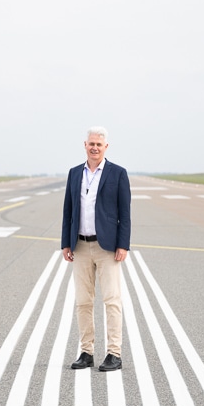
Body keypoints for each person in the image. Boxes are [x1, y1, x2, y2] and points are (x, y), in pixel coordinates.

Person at [61, 126, 131, 372]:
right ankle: (87, 352)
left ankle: (114, 354)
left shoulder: (118, 174)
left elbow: (125, 212)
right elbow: (68, 210)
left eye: (99, 144)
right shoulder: (74, 173)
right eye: (91, 143)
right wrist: (65, 243)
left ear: (106, 147)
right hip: (79, 246)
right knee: (83, 301)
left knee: (112, 300)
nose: (94, 147)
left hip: (107, 248)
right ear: (85, 145)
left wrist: (123, 244)